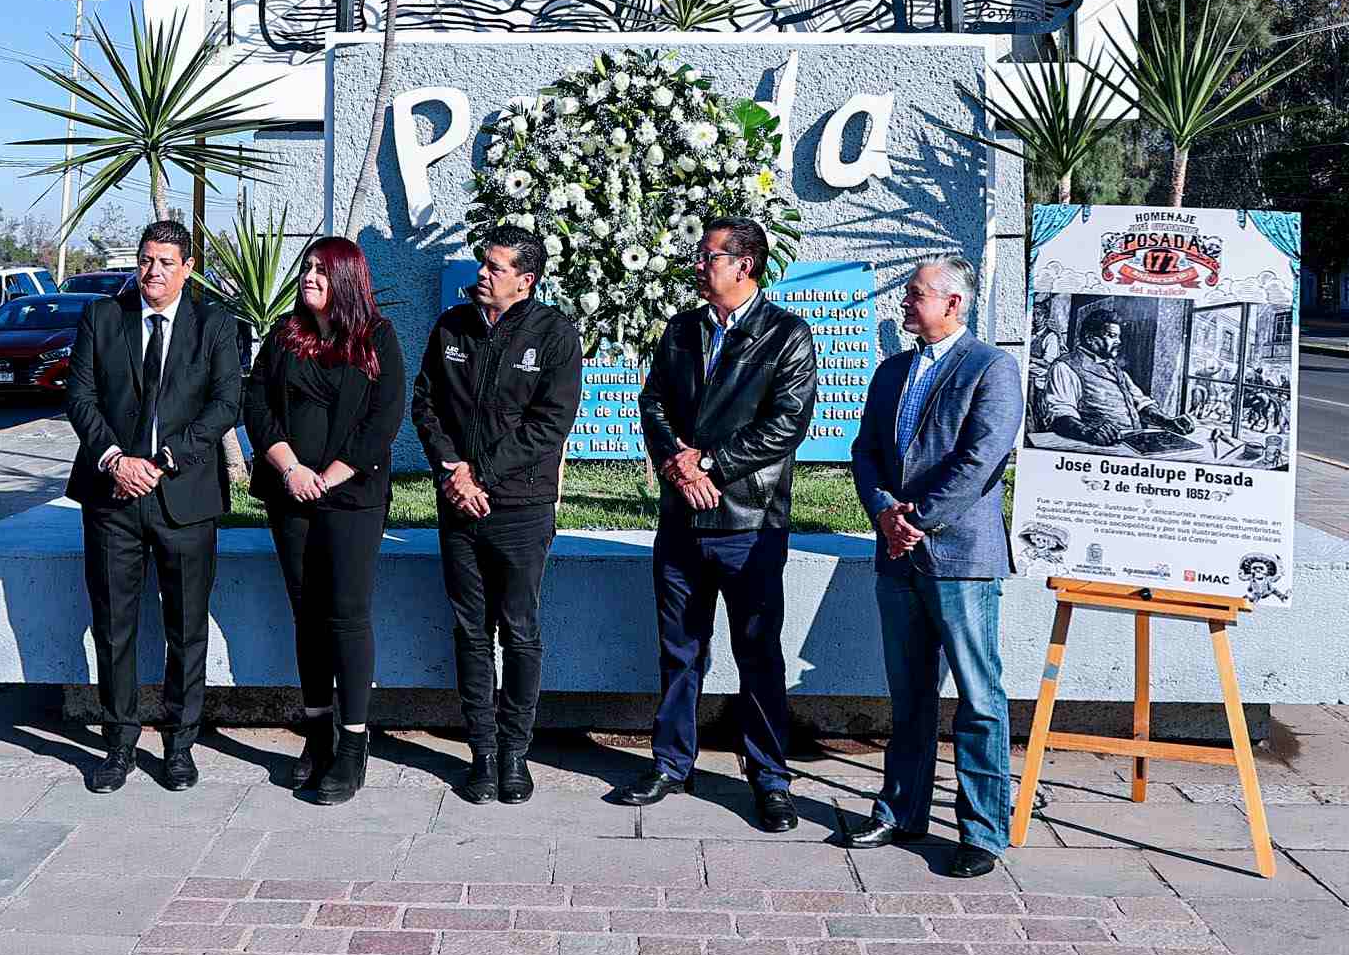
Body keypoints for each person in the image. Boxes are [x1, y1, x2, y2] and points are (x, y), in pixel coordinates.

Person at [612, 215, 818, 833]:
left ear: (744, 265)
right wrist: (679, 466)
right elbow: (653, 402)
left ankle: (770, 778)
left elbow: (786, 424)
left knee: (758, 653)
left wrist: (710, 464)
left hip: (748, 522)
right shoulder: (683, 329)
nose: (698, 266)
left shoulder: (786, 334)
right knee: (679, 649)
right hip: (682, 518)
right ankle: (672, 764)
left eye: (709, 257)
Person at [841, 257, 1023, 879]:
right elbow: (865, 451)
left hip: (960, 556)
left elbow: (981, 458)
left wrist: (917, 517)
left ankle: (982, 831)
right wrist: (883, 512)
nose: (904, 303)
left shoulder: (991, 367)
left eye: (916, 294)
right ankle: (901, 811)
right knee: (909, 694)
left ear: (953, 303)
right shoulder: (892, 370)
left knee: (978, 697)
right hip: (897, 555)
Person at [65, 220, 242, 795]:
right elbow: (80, 397)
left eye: (166, 262)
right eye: (146, 260)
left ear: (188, 268)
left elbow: (226, 404)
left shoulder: (214, 324)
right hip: (112, 496)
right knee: (113, 626)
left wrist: (165, 460)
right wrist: (116, 459)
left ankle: (179, 745)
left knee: (186, 629)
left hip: (184, 498)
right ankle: (118, 743)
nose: (153, 271)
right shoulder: (102, 317)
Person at [412, 225, 583, 806]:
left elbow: (549, 424)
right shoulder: (452, 326)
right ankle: (482, 753)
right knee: (470, 630)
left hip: (520, 507)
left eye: (495, 267)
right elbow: (426, 405)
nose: (482, 274)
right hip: (458, 504)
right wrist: (452, 471)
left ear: (525, 280)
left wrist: (479, 475)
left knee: (519, 631)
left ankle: (515, 753)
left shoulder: (554, 334)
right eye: (482, 264)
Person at [244, 237, 406, 806]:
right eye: (307, 268)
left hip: (352, 499)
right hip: (291, 495)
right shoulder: (284, 336)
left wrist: (329, 477)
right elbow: (257, 406)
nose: (310, 276)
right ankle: (317, 736)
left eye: (322, 269)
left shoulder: (377, 338)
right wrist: (291, 470)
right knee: (307, 617)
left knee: (346, 617)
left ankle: (353, 744)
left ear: (347, 279)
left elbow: (383, 419)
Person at [1036, 309, 1196, 453]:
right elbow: (1060, 413)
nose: (1119, 342)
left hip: (1132, 445)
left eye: (1118, 336)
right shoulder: (1065, 366)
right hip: (1097, 449)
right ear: (1090, 338)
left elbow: (1140, 403)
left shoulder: (1115, 369)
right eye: (1112, 336)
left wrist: (1168, 422)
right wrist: (1087, 432)